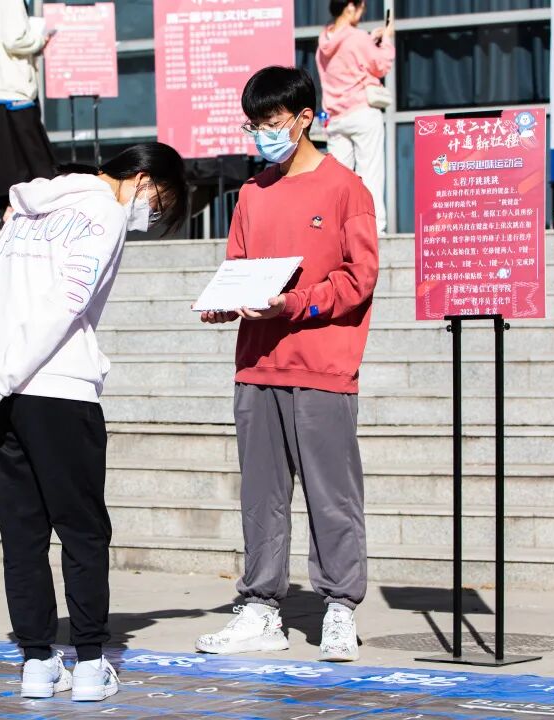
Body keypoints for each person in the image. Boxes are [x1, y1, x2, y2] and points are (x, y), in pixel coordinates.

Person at [0, 143, 189, 702]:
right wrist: (0, 375)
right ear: (142, 178)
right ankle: (88, 663)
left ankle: (37, 661)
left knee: (23, 535)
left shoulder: (26, 209)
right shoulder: (104, 212)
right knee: (83, 532)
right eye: (159, 201)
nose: (151, 213)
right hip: (56, 389)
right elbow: (67, 302)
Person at [193, 66, 378, 663]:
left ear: (304, 119)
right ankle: (260, 610)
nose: (262, 135)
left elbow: (360, 278)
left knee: (332, 496)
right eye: (253, 125)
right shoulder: (251, 193)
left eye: (271, 123)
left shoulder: (346, 188)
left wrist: (294, 303)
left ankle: (340, 608)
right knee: (261, 498)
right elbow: (239, 267)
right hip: (257, 368)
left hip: (322, 367)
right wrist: (225, 304)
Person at [0, 0, 57, 238]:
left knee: (4, 169)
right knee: (37, 165)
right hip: (12, 92)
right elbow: (14, 40)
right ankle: (50, 220)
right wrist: (40, 40)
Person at [317, 0, 394, 233]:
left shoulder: (323, 42)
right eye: (361, 9)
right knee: (370, 173)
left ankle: (337, 230)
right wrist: (386, 39)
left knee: (338, 179)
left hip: (335, 119)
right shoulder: (357, 37)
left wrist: (370, 40)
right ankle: (374, 229)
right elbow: (380, 65)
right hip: (362, 113)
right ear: (350, 6)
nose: (361, 14)